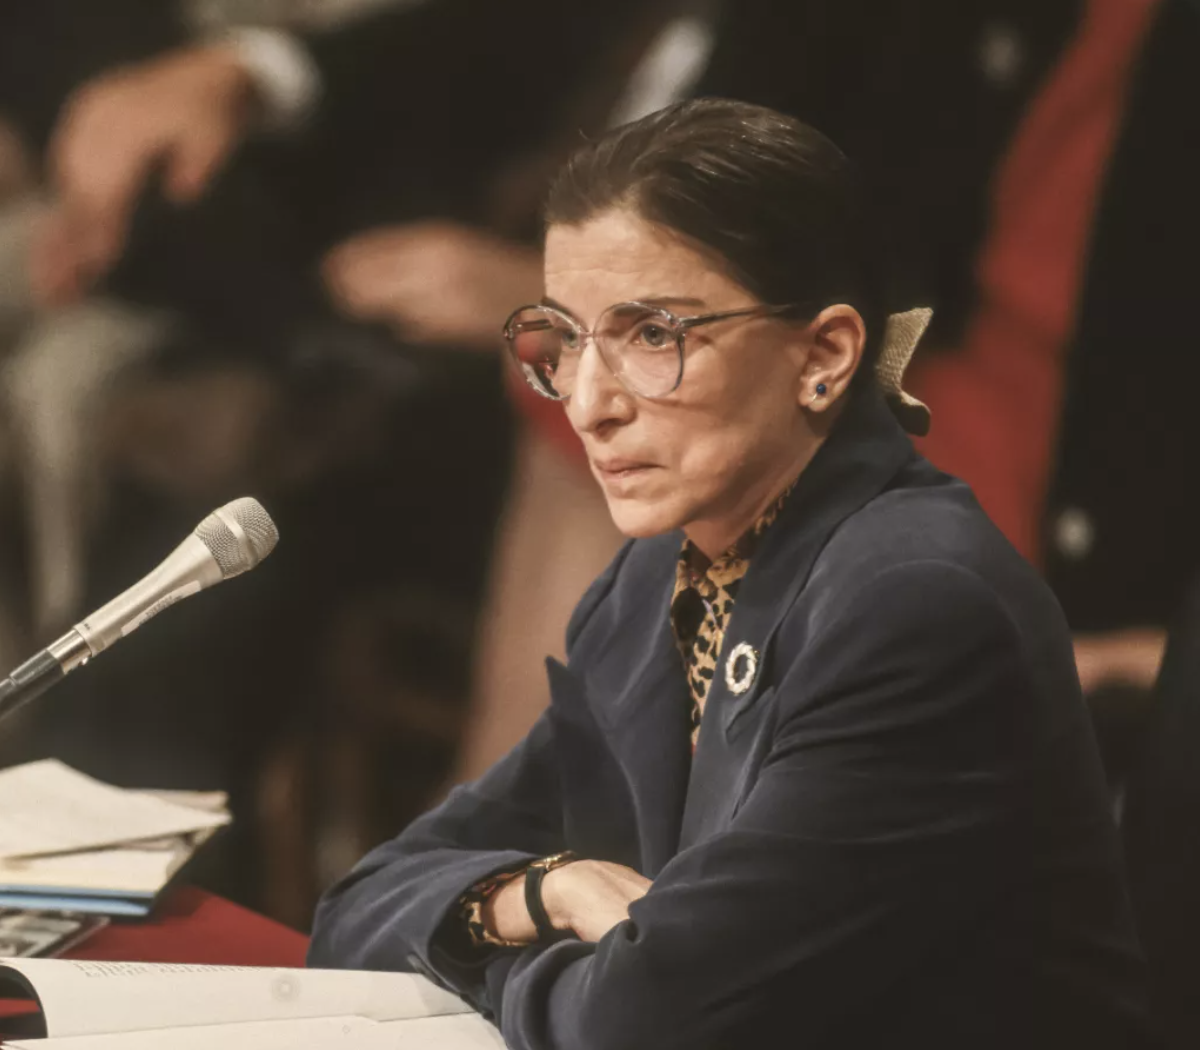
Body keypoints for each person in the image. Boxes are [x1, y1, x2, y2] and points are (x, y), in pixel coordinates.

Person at [307, 100, 1153, 1048]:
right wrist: (539, 891)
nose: (589, 404)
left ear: (825, 355)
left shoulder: (914, 604)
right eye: (567, 340)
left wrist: (499, 943)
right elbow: (357, 911)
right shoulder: (657, 579)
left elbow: (644, 1019)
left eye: (653, 337)